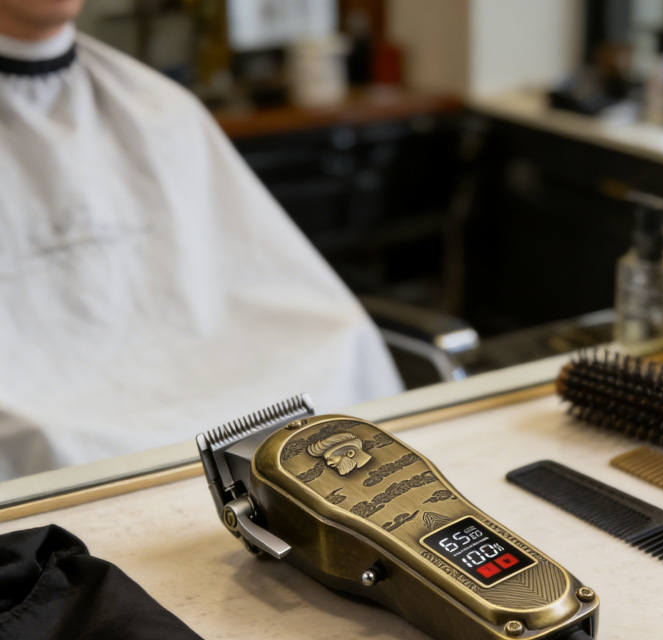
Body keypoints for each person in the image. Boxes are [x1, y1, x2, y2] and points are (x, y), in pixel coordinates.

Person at [0, 0, 403, 479]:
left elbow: (248, 265)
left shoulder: (159, 107)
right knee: (56, 442)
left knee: (344, 342)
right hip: (53, 399)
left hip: (191, 362)